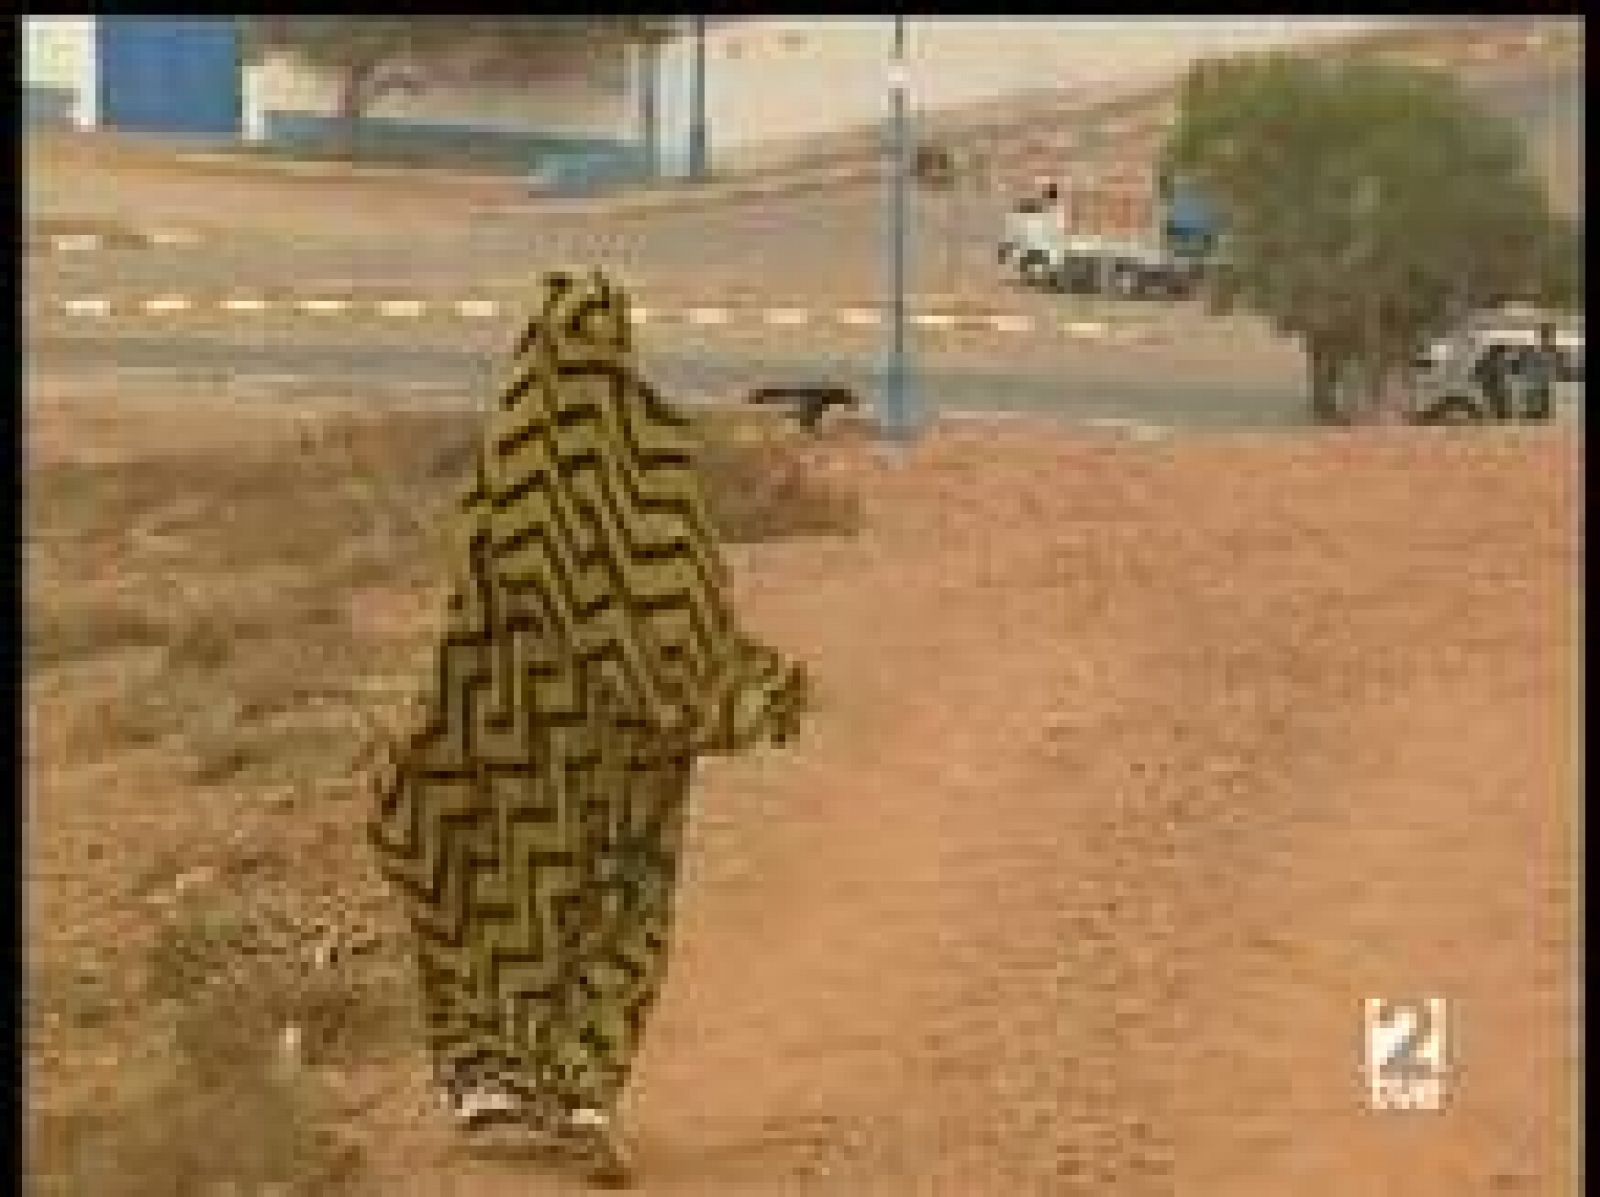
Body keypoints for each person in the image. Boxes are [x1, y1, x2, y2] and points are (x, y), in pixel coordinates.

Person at [368, 269, 810, 1186]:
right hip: (626, 743)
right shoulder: (655, 455)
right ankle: (583, 1088)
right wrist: (725, 683)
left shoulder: (513, 452)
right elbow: (691, 595)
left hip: (510, 729)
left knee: (479, 876)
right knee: (621, 900)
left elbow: (473, 600)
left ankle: (485, 1072)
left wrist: (446, 716)